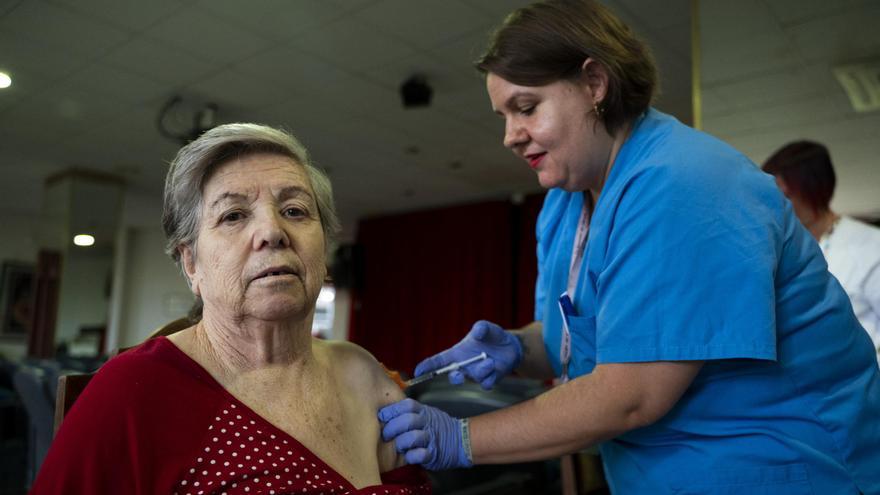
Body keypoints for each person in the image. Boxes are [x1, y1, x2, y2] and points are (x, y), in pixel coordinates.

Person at [377, 1, 880, 493]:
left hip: (784, 469)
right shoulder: (566, 202)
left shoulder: (685, 184)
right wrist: (520, 346)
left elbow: (632, 395)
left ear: (595, 84)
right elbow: (593, 335)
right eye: (503, 116)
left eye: (526, 108)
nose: (510, 136)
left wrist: (461, 437)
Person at [32, 123, 429, 494]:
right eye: (233, 215)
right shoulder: (134, 390)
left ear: (323, 252)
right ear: (191, 265)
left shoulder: (362, 370)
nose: (273, 232)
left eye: (294, 210)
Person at [763, 140, 880, 364]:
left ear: (815, 190)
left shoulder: (871, 247)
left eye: (786, 196)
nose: (778, 208)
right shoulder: (780, 252)